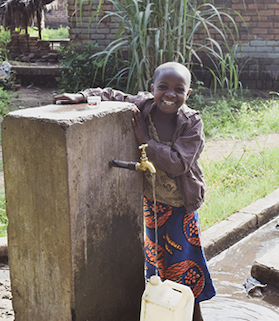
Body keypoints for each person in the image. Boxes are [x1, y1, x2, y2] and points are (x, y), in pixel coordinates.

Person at [54, 61, 216, 321]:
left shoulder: (191, 123)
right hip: (152, 205)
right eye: (163, 87)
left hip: (180, 208)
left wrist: (145, 141)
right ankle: (163, 313)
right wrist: (83, 96)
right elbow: (112, 95)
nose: (170, 94)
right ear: (152, 88)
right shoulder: (143, 106)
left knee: (184, 270)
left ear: (188, 93)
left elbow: (177, 163)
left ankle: (194, 316)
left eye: (178, 89)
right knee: (155, 268)